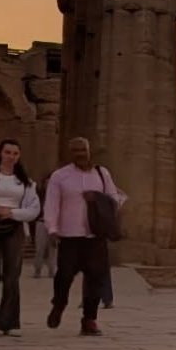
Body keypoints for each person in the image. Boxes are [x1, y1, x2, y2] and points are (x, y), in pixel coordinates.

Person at [44, 137, 123, 338]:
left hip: (95, 236)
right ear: (70, 153)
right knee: (64, 276)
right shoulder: (60, 176)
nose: (81, 154)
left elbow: (115, 200)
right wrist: (52, 228)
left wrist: (97, 198)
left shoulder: (102, 174)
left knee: (96, 278)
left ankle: (89, 320)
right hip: (69, 236)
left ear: (89, 150)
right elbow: (51, 204)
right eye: (76, 150)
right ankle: (59, 304)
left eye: (83, 150)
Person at [0, 139, 40, 337]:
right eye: (7, 152)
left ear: (19, 156)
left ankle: (8, 321)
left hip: (14, 227)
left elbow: (34, 209)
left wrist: (12, 213)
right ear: (0, 153)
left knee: (12, 276)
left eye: (15, 153)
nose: (10, 156)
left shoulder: (26, 182)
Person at [31, 177, 55, 279]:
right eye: (47, 182)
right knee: (40, 247)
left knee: (52, 248)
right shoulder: (39, 196)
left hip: (53, 223)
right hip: (41, 222)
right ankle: (37, 269)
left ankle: (52, 270)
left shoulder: (56, 195)